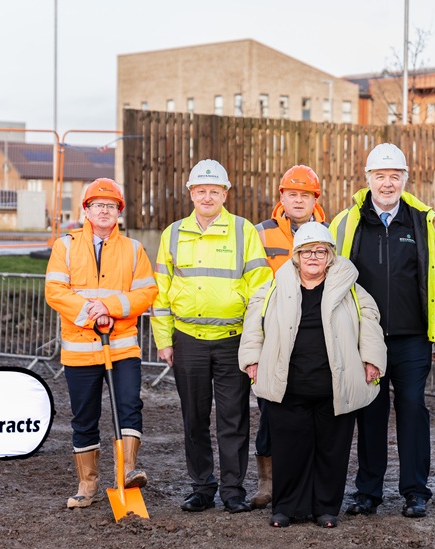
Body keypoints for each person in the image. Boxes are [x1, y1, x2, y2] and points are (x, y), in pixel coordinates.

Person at [330, 143, 435, 519]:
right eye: (380, 176)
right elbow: (330, 278)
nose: (387, 183)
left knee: (413, 409)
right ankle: (368, 493)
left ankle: (415, 491)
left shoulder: (420, 221)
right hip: (364, 339)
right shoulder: (346, 222)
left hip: (413, 338)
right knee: (370, 413)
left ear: (404, 179)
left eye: (394, 176)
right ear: (368, 179)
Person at [239, 222, 386, 528]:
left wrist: (372, 360)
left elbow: (370, 323)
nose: (313, 257)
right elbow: (254, 324)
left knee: (332, 450)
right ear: (296, 256)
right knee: (289, 449)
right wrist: (252, 359)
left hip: (334, 385)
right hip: (288, 385)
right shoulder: (273, 289)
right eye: (307, 251)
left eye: (321, 251)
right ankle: (286, 507)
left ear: (330, 256)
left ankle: (325, 508)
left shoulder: (352, 290)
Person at [151, 159, 272, 514]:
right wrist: (164, 340)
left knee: (233, 418)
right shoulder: (172, 234)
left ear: (225, 193)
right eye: (201, 190)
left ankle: (233, 490)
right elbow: (160, 292)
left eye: (214, 191)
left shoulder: (243, 231)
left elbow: (260, 290)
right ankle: (201, 486)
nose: (207, 196)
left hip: (232, 338)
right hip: (187, 338)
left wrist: (255, 342)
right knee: (194, 417)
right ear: (191, 193)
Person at [45, 178, 158, 509]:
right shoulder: (64, 246)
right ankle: (87, 484)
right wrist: (90, 313)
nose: (105, 211)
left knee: (128, 406)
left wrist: (111, 307)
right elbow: (55, 290)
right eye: (98, 205)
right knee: (84, 417)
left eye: (111, 206)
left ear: (119, 212)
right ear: (86, 210)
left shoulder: (133, 249)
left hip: (121, 345)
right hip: (80, 349)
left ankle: (127, 472)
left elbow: (146, 292)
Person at [249, 164, 328, 509]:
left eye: (305, 195)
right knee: (270, 409)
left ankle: (307, 479)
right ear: (281, 197)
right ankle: (268, 481)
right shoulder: (261, 233)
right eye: (292, 194)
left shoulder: (328, 232)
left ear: (315, 199)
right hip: (275, 336)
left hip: (315, 336)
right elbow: (253, 284)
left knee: (313, 413)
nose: (298, 200)